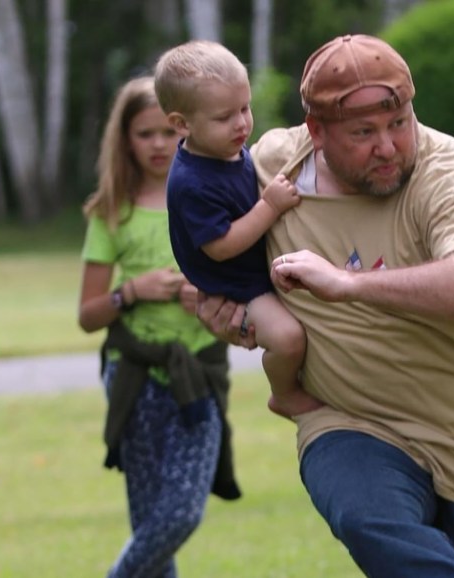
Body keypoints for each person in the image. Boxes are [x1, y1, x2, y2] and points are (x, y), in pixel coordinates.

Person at [197, 34, 454, 578]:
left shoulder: (452, 174)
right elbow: (209, 236)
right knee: (369, 519)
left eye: (399, 123)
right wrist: (227, 310)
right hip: (350, 422)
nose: (387, 147)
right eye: (363, 132)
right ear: (315, 132)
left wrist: (348, 285)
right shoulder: (273, 167)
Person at [77, 75, 240, 578]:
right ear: (125, 139)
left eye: (167, 133)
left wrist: (211, 294)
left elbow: (247, 280)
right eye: (144, 134)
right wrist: (132, 293)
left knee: (180, 514)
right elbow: (88, 316)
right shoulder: (111, 213)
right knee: (151, 525)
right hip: (135, 377)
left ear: (185, 127)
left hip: (200, 376)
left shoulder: (214, 197)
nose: (158, 145)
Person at [154, 40, 321, 419]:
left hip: (256, 268)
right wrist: (271, 206)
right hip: (237, 286)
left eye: (245, 108)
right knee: (288, 339)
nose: (242, 123)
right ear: (181, 124)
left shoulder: (226, 149)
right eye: (224, 116)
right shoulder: (192, 182)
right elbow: (221, 246)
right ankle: (285, 393)